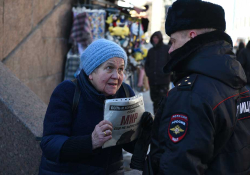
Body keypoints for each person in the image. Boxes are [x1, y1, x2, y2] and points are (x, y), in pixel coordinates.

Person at [147, 0, 250, 174]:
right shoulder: (236, 83)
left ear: (192, 36)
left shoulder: (191, 94)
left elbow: (179, 166)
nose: (170, 50)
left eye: (172, 41)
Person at [39, 39, 152, 175]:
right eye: (109, 68)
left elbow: (128, 144)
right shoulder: (67, 92)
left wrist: (143, 135)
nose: (116, 76)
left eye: (120, 69)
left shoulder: (125, 92)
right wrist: (91, 142)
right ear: (91, 72)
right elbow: (50, 144)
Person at [145, 31, 171, 114]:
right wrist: (149, 74)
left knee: (163, 101)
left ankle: (162, 120)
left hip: (163, 81)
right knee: (155, 101)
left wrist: (166, 73)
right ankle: (156, 119)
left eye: (156, 37)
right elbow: (147, 64)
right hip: (153, 81)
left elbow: (171, 63)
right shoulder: (151, 51)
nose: (155, 39)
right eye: (154, 37)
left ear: (160, 38)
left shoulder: (166, 49)